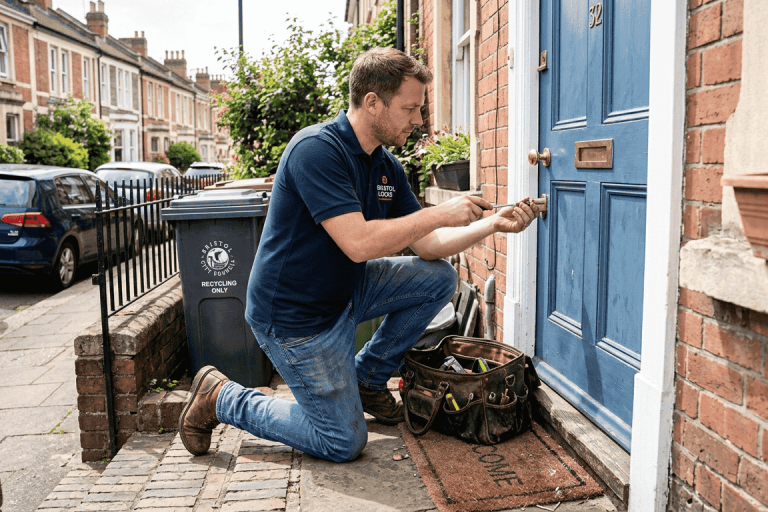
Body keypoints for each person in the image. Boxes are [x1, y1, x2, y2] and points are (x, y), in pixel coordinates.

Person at [178, 47, 539, 463]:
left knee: (439, 278)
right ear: (372, 102)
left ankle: (369, 377)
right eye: (410, 108)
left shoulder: (386, 167)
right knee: (343, 442)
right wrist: (441, 213)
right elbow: (360, 243)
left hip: (347, 290)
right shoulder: (316, 151)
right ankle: (221, 398)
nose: (419, 121)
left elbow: (427, 246)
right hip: (297, 319)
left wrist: (492, 224)